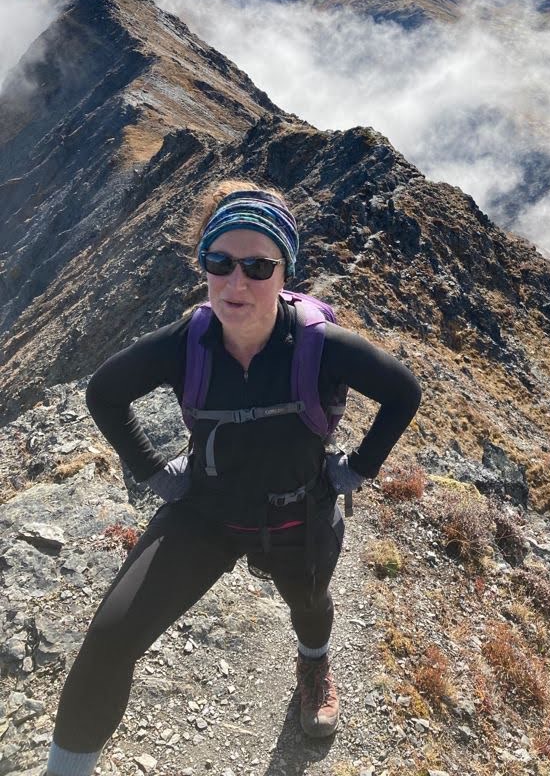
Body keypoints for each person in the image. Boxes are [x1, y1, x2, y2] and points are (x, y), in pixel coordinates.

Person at [45, 181, 422, 776]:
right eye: (218, 262)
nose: (235, 283)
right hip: (206, 514)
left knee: (309, 603)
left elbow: (403, 393)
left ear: (285, 272)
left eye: (257, 266)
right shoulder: (188, 343)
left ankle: (313, 663)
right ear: (203, 265)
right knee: (111, 639)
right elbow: (104, 394)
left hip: (297, 512)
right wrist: (152, 473)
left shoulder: (321, 347)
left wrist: (356, 470)